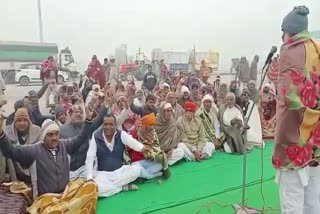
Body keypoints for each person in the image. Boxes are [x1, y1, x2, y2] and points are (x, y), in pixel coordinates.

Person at [273, 6, 320, 214]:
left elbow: (289, 100)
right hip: (316, 138)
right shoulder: (317, 49)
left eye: (282, 32)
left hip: (294, 139)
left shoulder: (290, 50)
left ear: (288, 31)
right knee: (313, 200)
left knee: (292, 200)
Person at [0, 106, 94, 198]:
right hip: (45, 201)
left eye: (56, 134)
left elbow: (80, 139)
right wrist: (1, 133)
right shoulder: (34, 151)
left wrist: (88, 120)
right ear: (43, 137)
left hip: (65, 197)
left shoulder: (64, 146)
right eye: (50, 135)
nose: (54, 138)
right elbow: (10, 151)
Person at [85, 114, 146, 197]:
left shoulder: (121, 134)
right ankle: (121, 187)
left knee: (137, 170)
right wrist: (89, 178)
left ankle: (111, 188)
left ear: (115, 125)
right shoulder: (96, 136)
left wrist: (143, 149)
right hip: (103, 175)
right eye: (106, 124)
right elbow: (90, 157)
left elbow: (133, 143)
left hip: (120, 172)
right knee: (96, 189)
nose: (108, 127)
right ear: (103, 125)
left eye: (111, 124)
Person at [60, 101, 109, 179]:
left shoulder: (87, 125)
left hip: (86, 167)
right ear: (70, 114)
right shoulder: (62, 129)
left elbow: (99, 118)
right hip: (71, 169)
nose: (79, 114)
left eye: (81, 112)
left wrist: (106, 104)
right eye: (76, 112)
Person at [0, 108, 41, 184]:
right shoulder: (7, 132)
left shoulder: (37, 131)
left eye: (25, 120)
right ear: (15, 122)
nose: (22, 123)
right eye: (19, 120)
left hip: (34, 171)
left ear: (29, 121)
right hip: (14, 171)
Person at [128, 113, 170, 179]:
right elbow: (128, 147)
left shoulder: (153, 134)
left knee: (161, 165)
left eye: (153, 125)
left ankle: (143, 175)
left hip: (149, 161)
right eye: (150, 125)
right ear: (144, 125)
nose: (152, 127)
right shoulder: (136, 133)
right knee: (135, 168)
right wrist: (135, 131)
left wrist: (161, 156)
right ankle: (151, 176)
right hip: (137, 162)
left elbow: (157, 149)